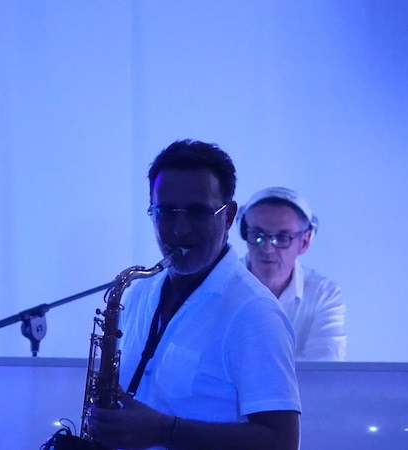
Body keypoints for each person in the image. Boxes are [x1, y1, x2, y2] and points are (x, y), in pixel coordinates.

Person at [87, 140, 301, 450]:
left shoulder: (254, 311)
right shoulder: (139, 293)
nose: (180, 229)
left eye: (197, 212)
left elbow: (282, 442)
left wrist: (164, 431)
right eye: (165, 212)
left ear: (228, 217)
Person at [237, 187, 345, 362]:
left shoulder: (323, 294)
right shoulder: (218, 284)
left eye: (282, 238)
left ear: (304, 242)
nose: (267, 248)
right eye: (257, 235)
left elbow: (324, 368)